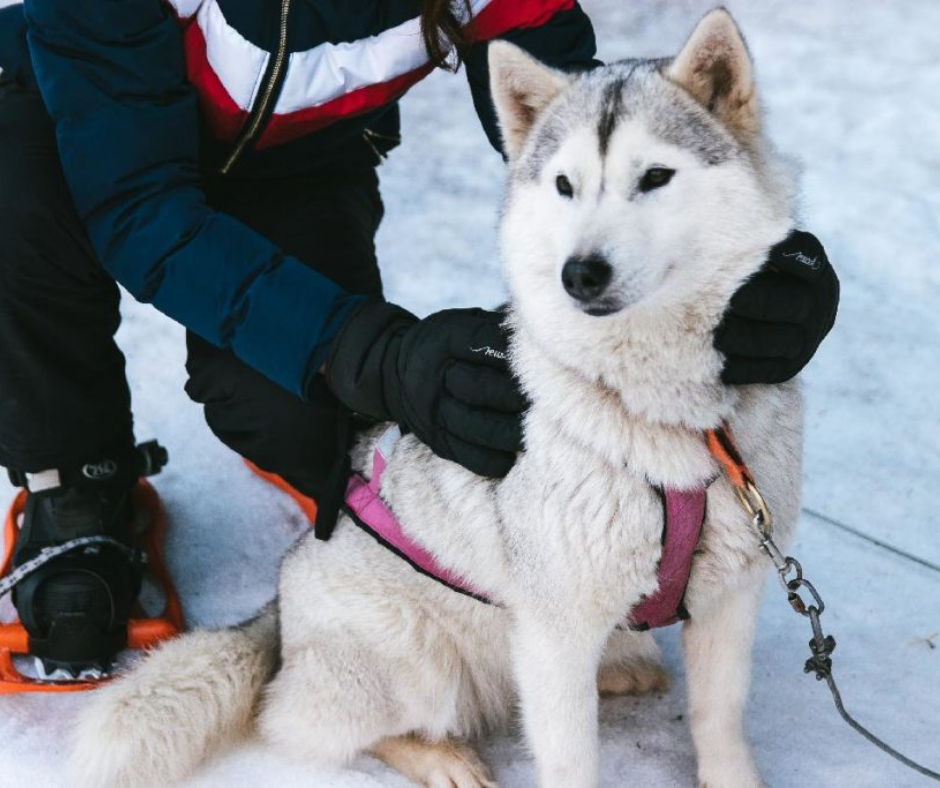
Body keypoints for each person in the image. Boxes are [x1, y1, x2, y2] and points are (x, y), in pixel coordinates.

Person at [0, 0, 839, 676]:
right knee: (16, 187)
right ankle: (74, 481)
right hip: (63, 133)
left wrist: (757, 261)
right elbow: (142, 212)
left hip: (288, 161)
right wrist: (369, 349)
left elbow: (579, 118)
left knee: (305, 417)